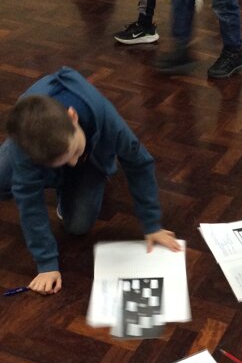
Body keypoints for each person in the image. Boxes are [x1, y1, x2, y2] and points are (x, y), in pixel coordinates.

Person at [0, 67, 180, 295]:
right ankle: (57, 171)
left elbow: (140, 163)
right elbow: (29, 201)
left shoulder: (106, 118)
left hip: (92, 160)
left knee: (78, 227)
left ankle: (66, 185)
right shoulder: (24, 145)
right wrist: (47, 265)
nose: (73, 162)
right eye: (66, 160)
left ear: (72, 117)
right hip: (36, 155)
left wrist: (151, 224)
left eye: (74, 152)